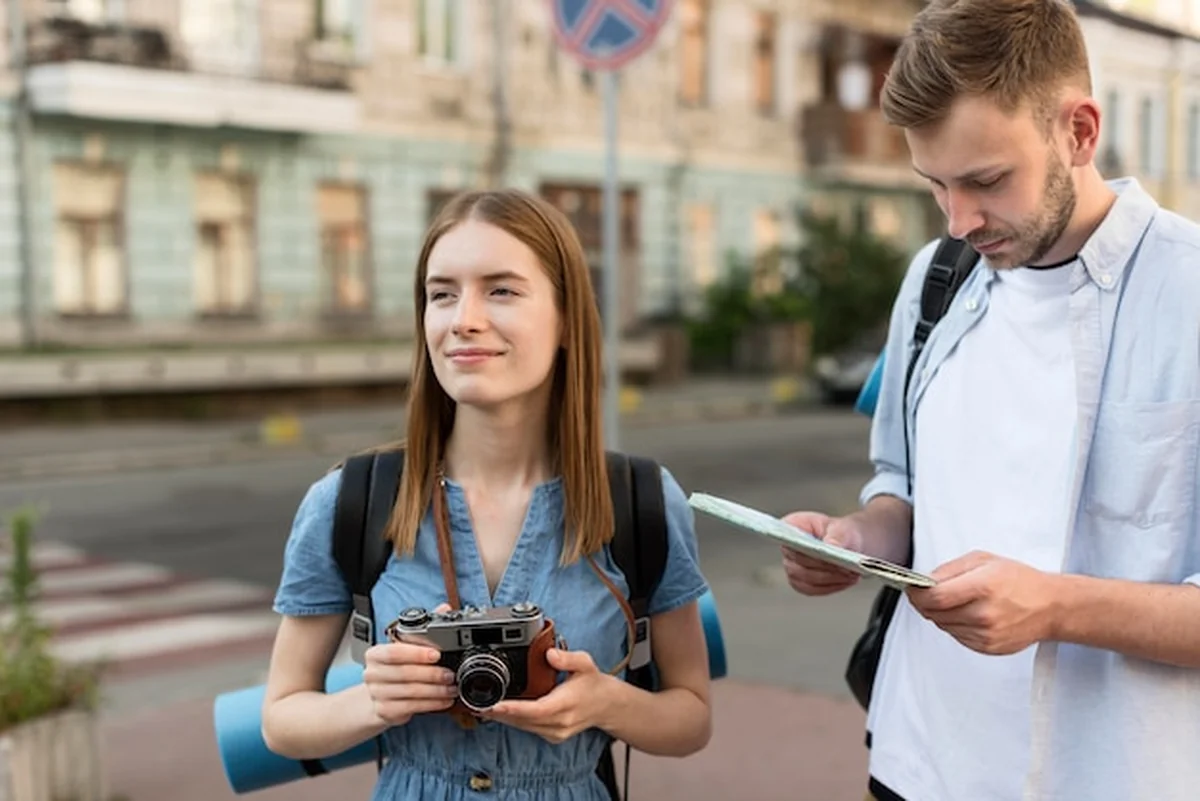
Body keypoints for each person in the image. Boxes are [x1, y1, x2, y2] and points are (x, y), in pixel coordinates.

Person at [780, 1, 1200, 800]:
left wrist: (1054, 606)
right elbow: (899, 486)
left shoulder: (1188, 293)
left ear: (1079, 132)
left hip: (1116, 774)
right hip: (917, 761)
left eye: (985, 180)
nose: (959, 219)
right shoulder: (936, 279)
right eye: (934, 183)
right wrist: (856, 536)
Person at [260, 188, 713, 800]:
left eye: (501, 290)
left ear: (565, 320)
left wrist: (607, 702)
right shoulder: (350, 501)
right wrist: (374, 704)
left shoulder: (641, 502)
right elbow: (282, 719)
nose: (463, 319)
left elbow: (690, 718)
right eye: (442, 294)